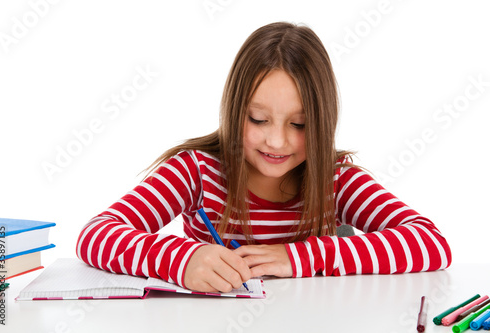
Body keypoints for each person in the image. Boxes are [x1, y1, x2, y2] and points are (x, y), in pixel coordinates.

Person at [76, 22, 452, 293]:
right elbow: (95, 235)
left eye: (300, 124)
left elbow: (431, 243)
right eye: (258, 119)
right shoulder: (196, 172)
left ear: (323, 122)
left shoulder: (336, 180)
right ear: (234, 110)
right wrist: (181, 260)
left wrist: (300, 258)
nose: (277, 140)